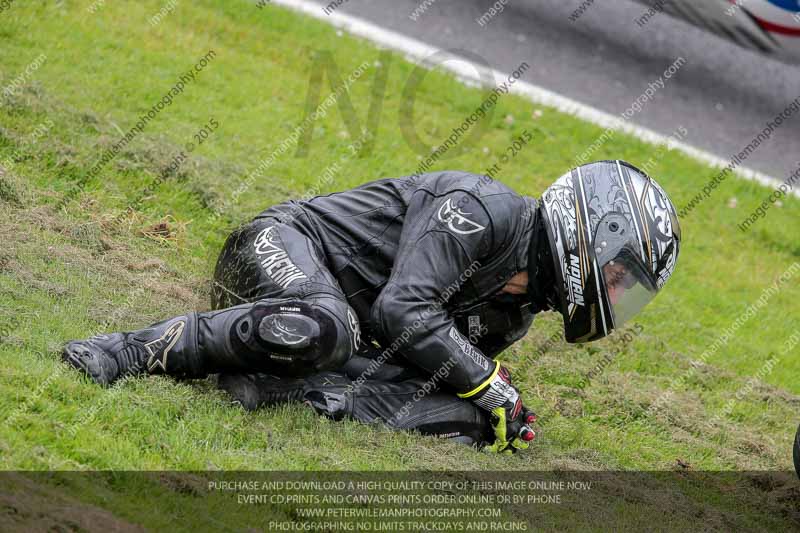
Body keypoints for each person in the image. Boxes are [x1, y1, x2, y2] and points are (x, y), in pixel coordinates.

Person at [63, 160, 681, 453]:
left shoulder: (515, 312)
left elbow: (412, 364)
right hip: (280, 245)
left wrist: (495, 406)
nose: (618, 296)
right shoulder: (481, 207)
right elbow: (403, 312)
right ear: (587, 234)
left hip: (343, 326)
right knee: (326, 329)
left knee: (469, 419)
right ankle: (124, 350)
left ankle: (270, 388)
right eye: (621, 276)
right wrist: (489, 382)